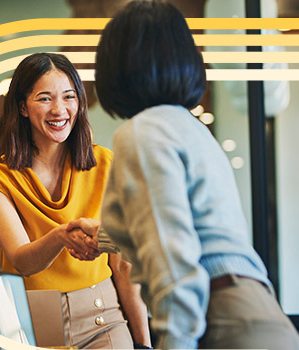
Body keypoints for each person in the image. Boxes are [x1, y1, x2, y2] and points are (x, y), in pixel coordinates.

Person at [88, 1, 299, 349]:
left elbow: (172, 261)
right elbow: (193, 227)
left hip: (221, 320)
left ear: (117, 67)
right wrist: (101, 238)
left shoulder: (142, 133)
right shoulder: (190, 128)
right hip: (254, 312)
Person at [0, 52, 150, 349]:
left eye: (69, 97)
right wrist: (61, 236)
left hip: (103, 319)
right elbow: (22, 261)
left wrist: (144, 344)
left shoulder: (106, 164)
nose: (59, 110)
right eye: (44, 99)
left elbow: (123, 266)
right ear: (22, 107)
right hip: (30, 325)